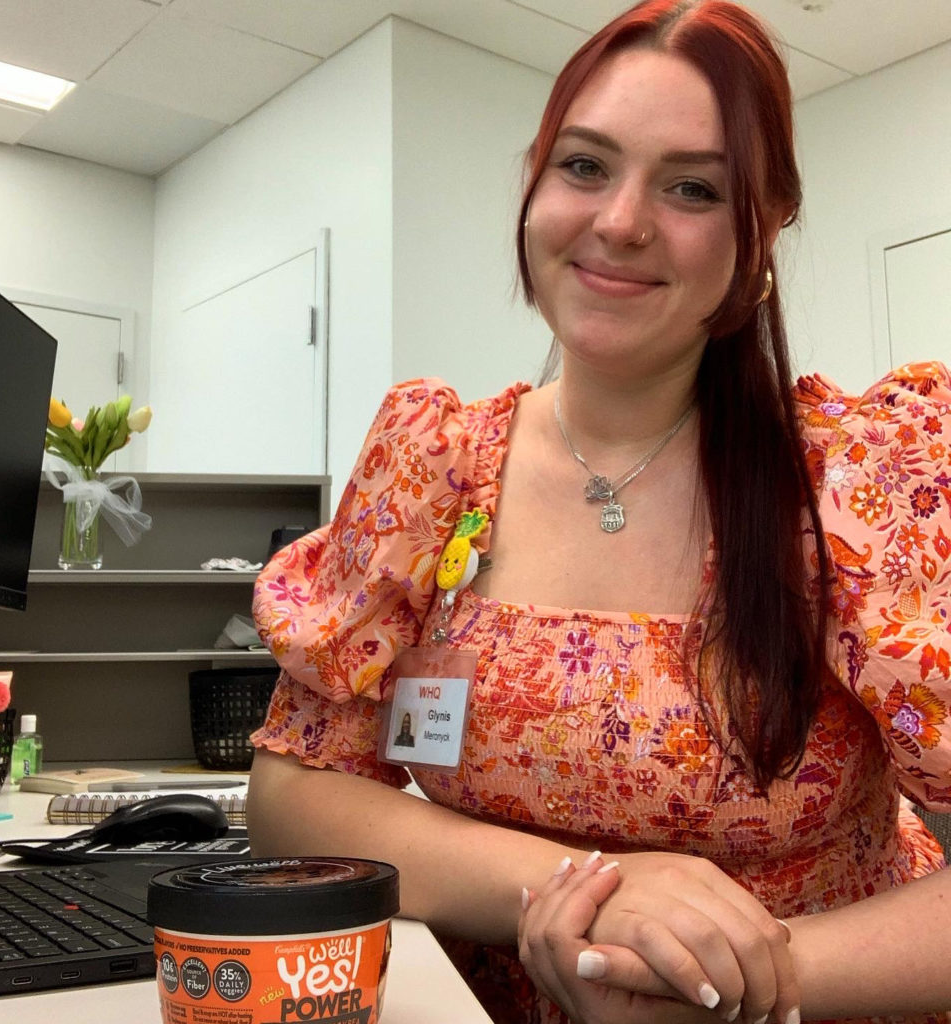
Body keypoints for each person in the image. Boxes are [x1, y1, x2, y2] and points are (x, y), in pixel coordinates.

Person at [246, 1, 951, 1022]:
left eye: (692, 188)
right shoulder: (429, 464)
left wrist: (731, 977)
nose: (620, 220)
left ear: (763, 234)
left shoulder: (864, 483)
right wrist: (586, 893)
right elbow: (290, 794)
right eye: (584, 166)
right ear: (532, 184)